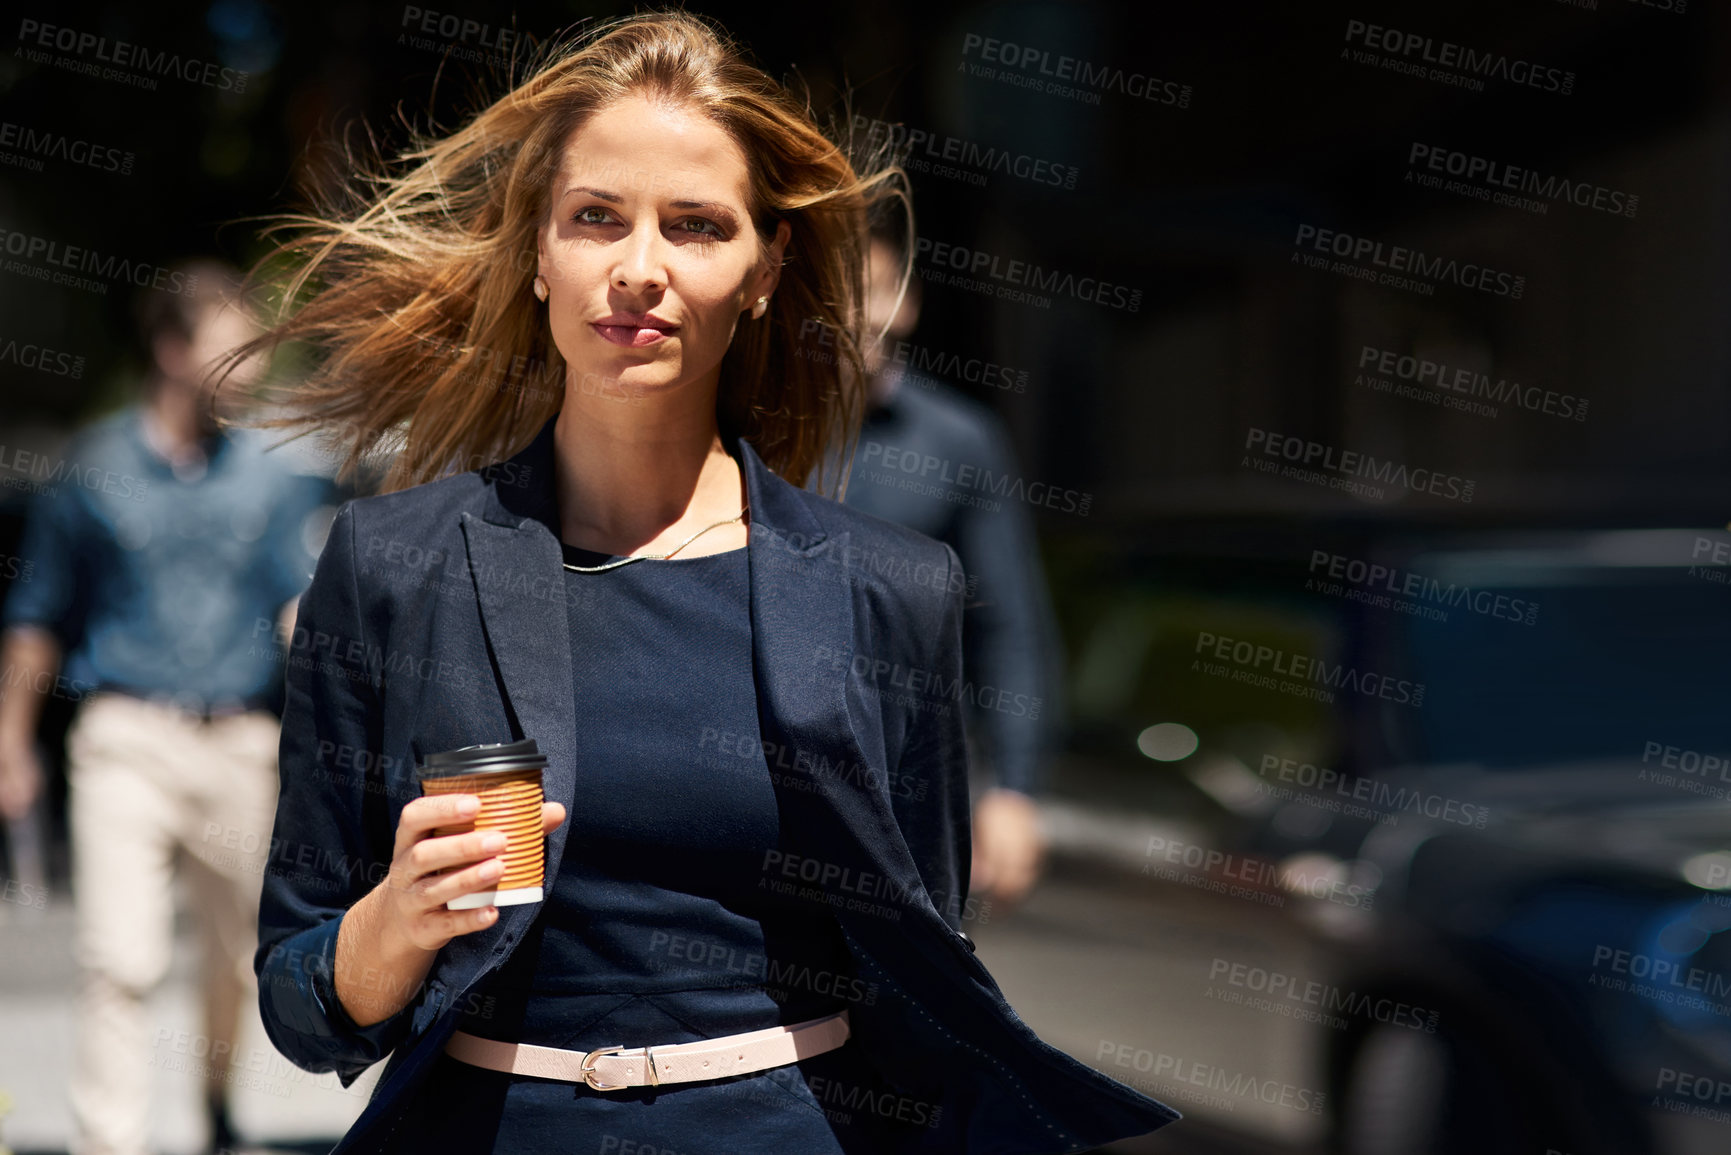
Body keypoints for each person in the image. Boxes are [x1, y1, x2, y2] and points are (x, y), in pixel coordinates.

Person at [244, 11, 1179, 1153]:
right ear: (539, 254)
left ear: (764, 270)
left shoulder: (886, 591)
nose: (639, 269)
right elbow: (300, 1010)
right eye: (596, 219)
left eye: (694, 226)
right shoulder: (395, 565)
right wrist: (396, 921)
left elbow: (925, 971)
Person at [0, 259, 336, 1155]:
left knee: (238, 954)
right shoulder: (93, 468)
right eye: (233, 353)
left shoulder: (273, 474)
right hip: (124, 737)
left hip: (239, 743)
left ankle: (216, 1107)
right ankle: (108, 1142)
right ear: (173, 349)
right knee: (121, 957)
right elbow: (36, 616)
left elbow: (293, 603)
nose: (253, 373)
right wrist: (11, 743)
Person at [832, 224, 1061, 911]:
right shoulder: (745, 424)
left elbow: (1010, 626)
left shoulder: (959, 440)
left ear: (907, 304)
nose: (855, 314)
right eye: (832, 293)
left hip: (911, 791)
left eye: (871, 292)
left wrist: (1015, 788)